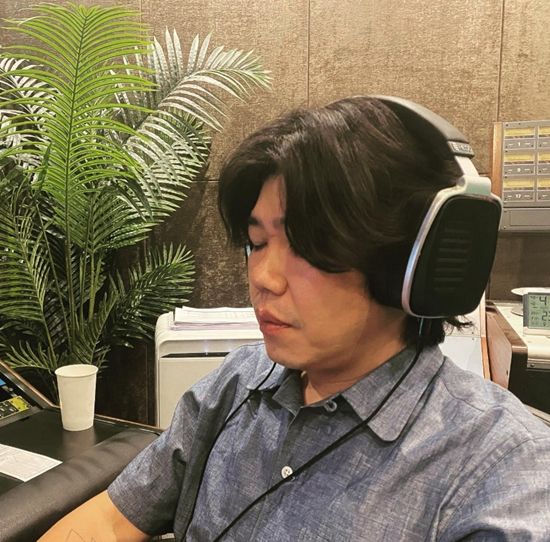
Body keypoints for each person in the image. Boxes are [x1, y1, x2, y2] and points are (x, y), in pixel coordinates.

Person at [40, 96, 550, 541]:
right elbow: (111, 521)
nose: (263, 277)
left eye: (305, 245)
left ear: (408, 264)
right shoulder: (235, 385)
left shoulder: (503, 469)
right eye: (256, 242)